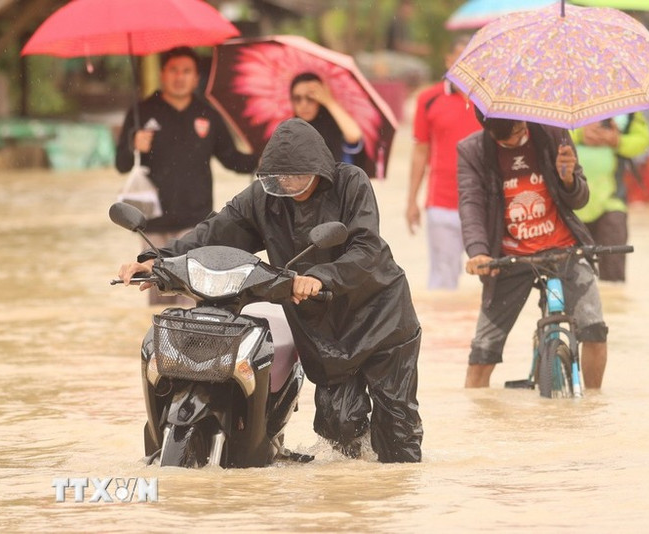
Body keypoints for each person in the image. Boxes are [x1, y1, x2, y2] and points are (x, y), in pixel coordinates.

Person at [118, 118, 423, 463]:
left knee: (397, 435)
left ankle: (396, 496)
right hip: (322, 327)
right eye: (280, 176)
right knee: (340, 428)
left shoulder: (351, 183)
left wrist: (320, 276)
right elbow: (214, 231)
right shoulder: (262, 198)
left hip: (381, 317)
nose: (288, 183)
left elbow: (366, 248)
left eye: (297, 175)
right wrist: (157, 260)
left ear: (319, 169)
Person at [458, 110, 610, 390]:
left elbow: (579, 200)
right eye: (508, 137)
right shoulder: (472, 151)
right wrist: (478, 252)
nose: (518, 138)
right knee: (482, 353)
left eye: (519, 129)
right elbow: (471, 204)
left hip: (565, 249)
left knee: (594, 330)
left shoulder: (555, 134)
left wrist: (568, 179)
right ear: (489, 131)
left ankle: (592, 403)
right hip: (509, 257)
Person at [115, 46, 258, 305]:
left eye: (186, 71)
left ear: (195, 78)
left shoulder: (208, 114)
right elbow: (121, 165)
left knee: (193, 300)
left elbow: (231, 159)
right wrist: (133, 145)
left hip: (196, 223)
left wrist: (262, 157)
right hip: (153, 225)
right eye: (174, 70)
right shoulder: (142, 112)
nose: (180, 77)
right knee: (158, 304)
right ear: (162, 74)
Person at [405, 36, 481, 290]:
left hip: (484, 203)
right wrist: (411, 201)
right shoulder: (428, 99)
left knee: (491, 279)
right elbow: (420, 153)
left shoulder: (490, 102)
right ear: (448, 60)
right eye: (460, 58)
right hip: (442, 203)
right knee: (443, 279)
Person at [570, 113, 649, 283]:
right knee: (569, 275)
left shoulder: (625, 106)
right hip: (567, 204)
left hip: (611, 201)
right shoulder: (559, 99)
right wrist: (579, 134)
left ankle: (616, 307)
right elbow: (544, 138)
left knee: (614, 275)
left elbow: (643, 140)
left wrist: (617, 140)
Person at [289, 72, 368, 169]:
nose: (303, 104)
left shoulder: (335, 127)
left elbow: (354, 135)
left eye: (310, 98)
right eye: (297, 98)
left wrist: (329, 101)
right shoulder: (289, 132)